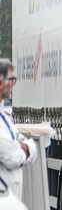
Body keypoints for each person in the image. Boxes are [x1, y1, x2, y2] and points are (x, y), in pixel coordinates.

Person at [0, 60, 36, 201]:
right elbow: (11, 157)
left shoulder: (4, 117)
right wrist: (23, 149)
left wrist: (23, 146)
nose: (13, 84)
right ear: (1, 84)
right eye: (11, 79)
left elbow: (29, 146)